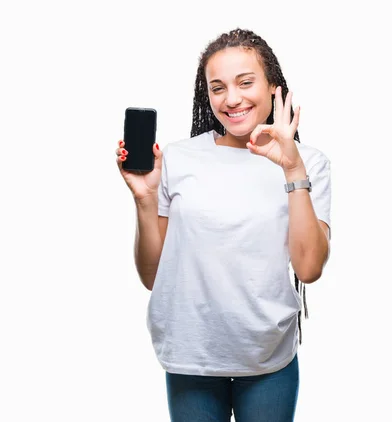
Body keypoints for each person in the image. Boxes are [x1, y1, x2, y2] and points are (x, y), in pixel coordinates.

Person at [115, 28, 331, 421]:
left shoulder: (309, 161)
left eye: (245, 83)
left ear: (273, 89)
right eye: (217, 88)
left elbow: (309, 268)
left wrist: (292, 169)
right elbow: (152, 277)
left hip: (268, 357)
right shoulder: (178, 159)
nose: (231, 99)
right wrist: (145, 200)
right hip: (190, 354)